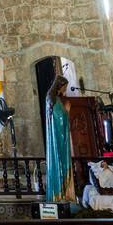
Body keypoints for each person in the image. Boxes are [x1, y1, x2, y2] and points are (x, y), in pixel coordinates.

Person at [45, 73, 76, 201]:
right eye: (64, 87)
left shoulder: (51, 98)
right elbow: (60, 119)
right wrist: (67, 111)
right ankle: (62, 195)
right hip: (58, 139)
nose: (65, 89)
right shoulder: (55, 100)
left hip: (54, 139)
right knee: (60, 161)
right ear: (60, 86)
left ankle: (59, 194)